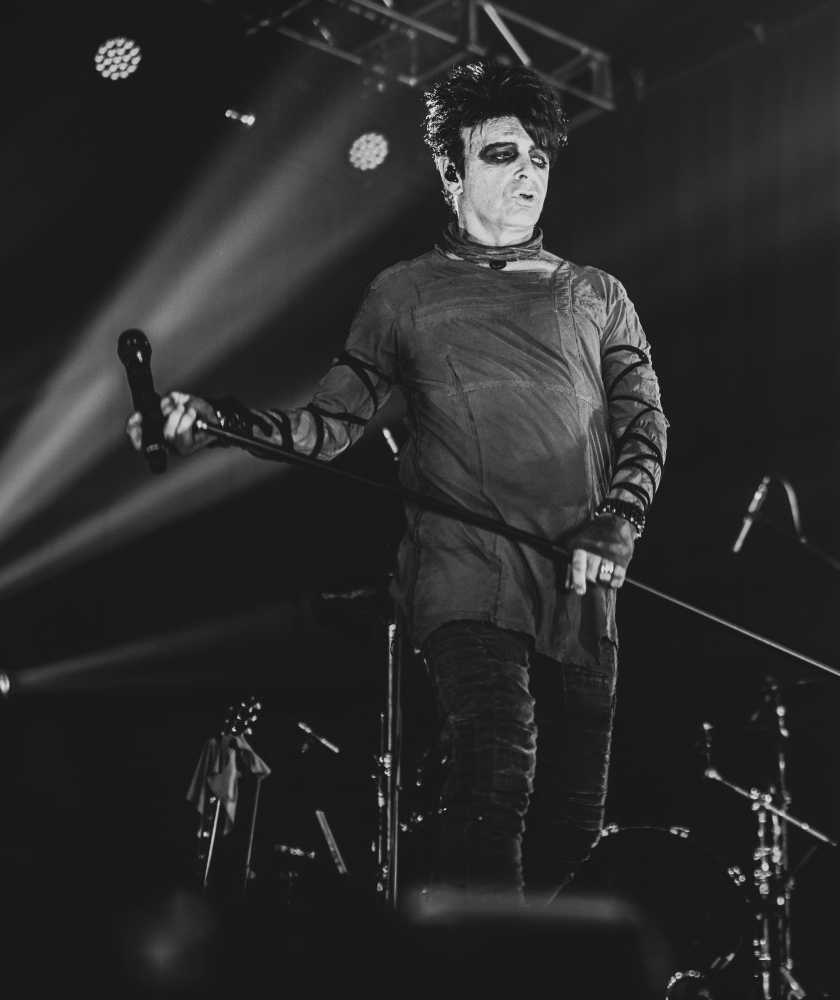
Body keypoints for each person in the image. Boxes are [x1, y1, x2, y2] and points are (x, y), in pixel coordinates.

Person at [127, 61, 669, 904]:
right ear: (452, 169)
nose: (528, 173)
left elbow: (646, 422)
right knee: (495, 771)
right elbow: (328, 425)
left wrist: (620, 518)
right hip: (465, 578)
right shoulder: (403, 294)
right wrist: (219, 423)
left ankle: (501, 952)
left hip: (579, 586)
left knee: (572, 822)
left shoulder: (599, 294)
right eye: (501, 154)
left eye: (539, 157)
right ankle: (489, 962)